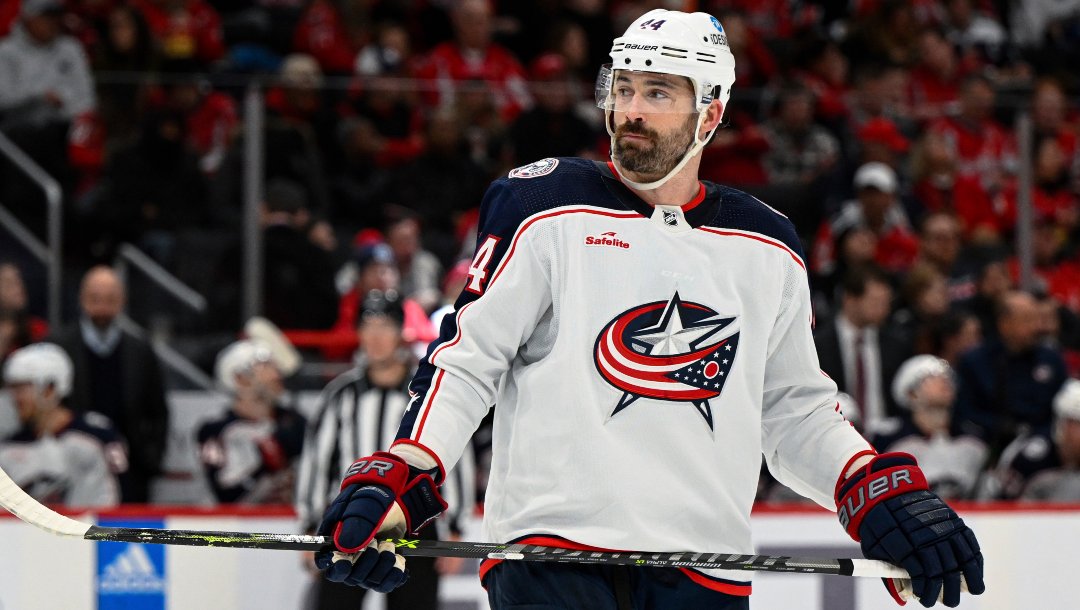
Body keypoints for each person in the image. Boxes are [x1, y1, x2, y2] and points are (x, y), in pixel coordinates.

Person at [310, 10, 984, 609]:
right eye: (624, 88)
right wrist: (406, 472)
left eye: (658, 93)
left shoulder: (767, 243)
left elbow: (793, 411)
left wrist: (870, 489)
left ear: (711, 115)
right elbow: (467, 362)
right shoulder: (543, 205)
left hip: (704, 567)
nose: (629, 109)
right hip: (551, 558)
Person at [296, 289, 474, 610]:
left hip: (414, 523)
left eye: (385, 326)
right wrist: (310, 525)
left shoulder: (425, 394)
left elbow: (454, 458)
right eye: (368, 326)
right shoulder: (341, 394)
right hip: (348, 520)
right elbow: (317, 461)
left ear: (400, 334)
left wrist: (455, 528)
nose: (375, 336)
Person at [48, 266, 168, 502]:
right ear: (82, 300)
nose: (102, 307)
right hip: (73, 466)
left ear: (122, 301)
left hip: (131, 469)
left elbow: (158, 410)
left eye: (110, 299)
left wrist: (151, 459)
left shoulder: (140, 350)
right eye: (95, 299)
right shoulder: (59, 347)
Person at [0, 343, 128, 507]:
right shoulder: (10, 446)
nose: (15, 398)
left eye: (22, 389)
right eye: (13, 389)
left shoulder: (97, 435)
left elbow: (124, 493)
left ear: (49, 389)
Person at [953, 290, 1068, 451]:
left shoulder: (1051, 359)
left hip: (1044, 446)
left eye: (1037, 319)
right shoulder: (975, 362)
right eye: (1028, 320)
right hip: (989, 445)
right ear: (1004, 324)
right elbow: (964, 413)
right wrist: (1001, 429)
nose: (1037, 326)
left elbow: (1061, 409)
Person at [196, 339, 306, 504]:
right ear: (241, 378)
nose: (276, 374)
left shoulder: (295, 422)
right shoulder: (215, 430)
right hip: (239, 524)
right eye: (265, 366)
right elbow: (225, 494)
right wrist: (266, 459)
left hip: (292, 521)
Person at [871, 355, 989, 500]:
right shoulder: (887, 438)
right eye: (931, 376)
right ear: (911, 393)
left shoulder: (974, 438)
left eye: (947, 375)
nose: (945, 380)